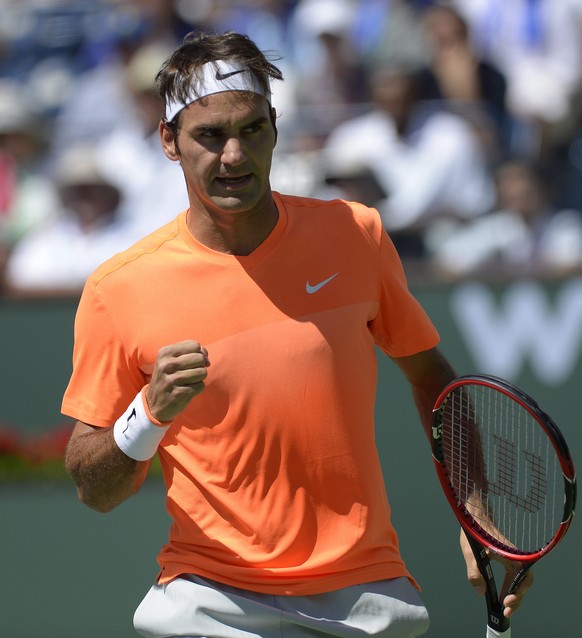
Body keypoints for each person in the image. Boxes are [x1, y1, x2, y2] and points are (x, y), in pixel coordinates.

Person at [63, 31, 532, 638]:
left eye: (252, 129)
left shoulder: (355, 235)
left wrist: (476, 515)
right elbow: (94, 488)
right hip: (208, 600)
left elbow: (434, 380)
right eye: (210, 135)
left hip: (366, 594)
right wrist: (147, 413)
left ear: (275, 128)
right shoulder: (117, 288)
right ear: (169, 141)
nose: (234, 155)